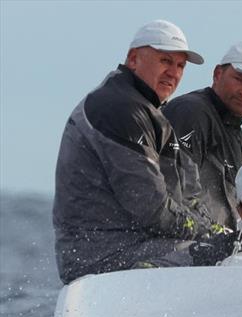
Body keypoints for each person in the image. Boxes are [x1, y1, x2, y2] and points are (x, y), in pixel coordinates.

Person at [53, 20, 228, 284]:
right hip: (101, 258)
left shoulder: (145, 110)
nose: (174, 73)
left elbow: (185, 193)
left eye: (180, 65)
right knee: (220, 255)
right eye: (164, 61)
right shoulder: (119, 110)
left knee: (226, 246)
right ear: (133, 59)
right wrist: (208, 234)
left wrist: (219, 228)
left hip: (121, 248)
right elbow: (150, 208)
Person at [164, 39, 242, 230]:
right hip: (188, 249)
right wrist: (216, 236)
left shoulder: (233, 130)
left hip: (222, 249)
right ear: (217, 74)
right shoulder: (191, 112)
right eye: (239, 80)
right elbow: (175, 192)